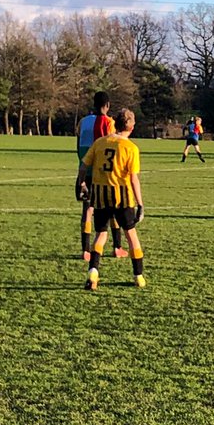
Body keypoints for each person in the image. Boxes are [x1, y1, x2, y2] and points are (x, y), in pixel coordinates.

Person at [77, 107, 146, 289]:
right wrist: (140, 204)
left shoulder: (100, 142)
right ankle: (138, 276)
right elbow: (133, 178)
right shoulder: (131, 148)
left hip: (100, 195)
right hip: (122, 197)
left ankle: (93, 272)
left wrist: (81, 184)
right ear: (132, 127)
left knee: (101, 235)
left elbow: (84, 165)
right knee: (131, 235)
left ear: (115, 123)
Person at [76, 91, 121, 263]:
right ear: (107, 105)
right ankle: (117, 247)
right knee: (112, 209)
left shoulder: (83, 122)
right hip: (103, 173)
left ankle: (85, 250)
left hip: (84, 169)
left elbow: (77, 145)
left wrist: (82, 166)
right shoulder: (110, 123)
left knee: (87, 209)